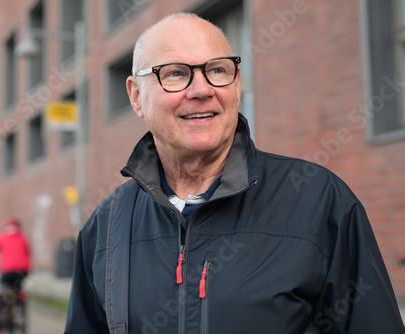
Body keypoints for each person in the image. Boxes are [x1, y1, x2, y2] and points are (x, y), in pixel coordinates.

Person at [64, 12, 405, 334]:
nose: (201, 90)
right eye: (175, 74)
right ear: (136, 96)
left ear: (237, 84)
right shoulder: (105, 228)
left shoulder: (319, 202)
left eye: (217, 70)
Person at [0, 218, 31, 292]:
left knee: (2, 287)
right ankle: (21, 299)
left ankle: (1, 301)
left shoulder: (2, 237)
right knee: (18, 285)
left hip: (8, 270)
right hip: (23, 270)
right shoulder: (23, 237)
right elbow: (28, 253)